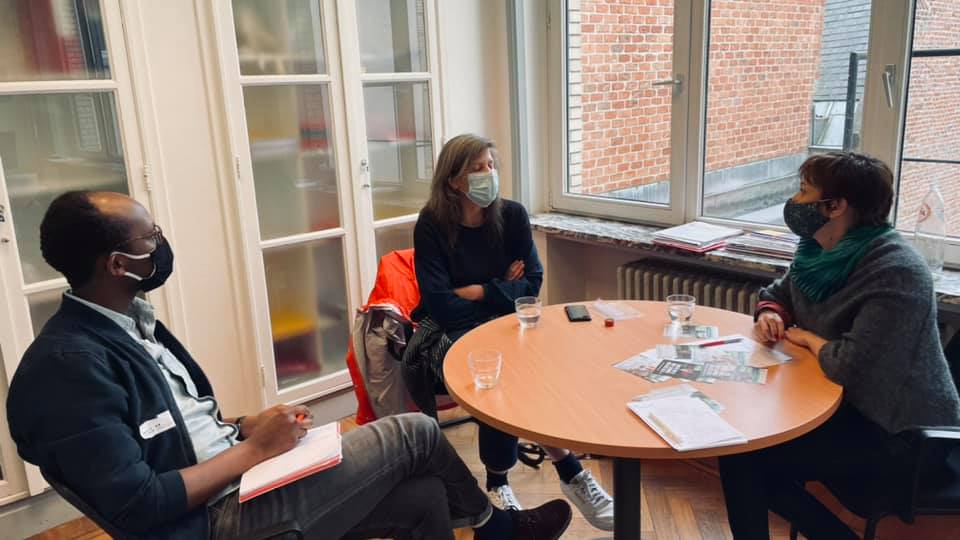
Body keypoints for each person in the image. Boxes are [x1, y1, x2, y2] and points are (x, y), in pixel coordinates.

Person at [6, 191, 574, 540]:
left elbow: (175, 424)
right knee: (416, 432)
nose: (161, 242)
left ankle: (491, 529)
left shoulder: (130, 319)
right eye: (150, 236)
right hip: (217, 520)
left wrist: (242, 426)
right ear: (117, 263)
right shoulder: (66, 371)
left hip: (239, 477)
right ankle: (497, 530)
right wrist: (254, 451)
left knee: (426, 493)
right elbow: (141, 503)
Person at [718, 152, 960, 539]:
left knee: (748, 461)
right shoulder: (818, 252)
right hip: (848, 409)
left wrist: (808, 337)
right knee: (741, 453)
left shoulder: (896, 271)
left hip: (902, 434)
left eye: (803, 191)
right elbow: (778, 294)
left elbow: (850, 364)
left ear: (835, 206)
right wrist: (771, 314)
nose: (794, 202)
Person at [402, 133, 614, 531]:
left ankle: (555, 475)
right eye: (477, 168)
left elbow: (532, 286)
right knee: (500, 369)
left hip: (502, 323)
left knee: (539, 359)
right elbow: (441, 305)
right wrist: (502, 287)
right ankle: (530, 477)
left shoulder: (512, 216)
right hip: (442, 333)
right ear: (453, 180)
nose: (489, 173)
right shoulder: (431, 224)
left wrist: (479, 290)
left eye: (491, 165)